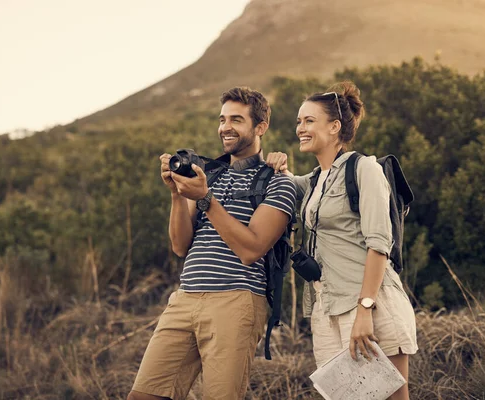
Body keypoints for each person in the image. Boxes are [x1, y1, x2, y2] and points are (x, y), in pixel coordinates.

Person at [128, 87, 297, 400]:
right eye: (222, 120)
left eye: (236, 119)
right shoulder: (210, 176)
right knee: (144, 395)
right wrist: (178, 193)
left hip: (236, 300)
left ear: (260, 127)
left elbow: (252, 249)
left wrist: (205, 199)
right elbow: (181, 246)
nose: (225, 127)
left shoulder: (278, 182)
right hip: (185, 297)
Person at [266, 81, 417, 399]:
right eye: (298, 121)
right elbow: (287, 183)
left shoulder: (365, 169)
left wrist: (365, 311)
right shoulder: (316, 178)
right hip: (328, 311)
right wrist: (276, 164)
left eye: (309, 121)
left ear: (334, 127)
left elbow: (379, 244)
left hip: (371, 306)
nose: (300, 129)